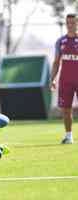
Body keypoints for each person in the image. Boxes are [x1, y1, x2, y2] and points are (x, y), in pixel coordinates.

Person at [50, 13, 78, 144]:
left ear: (77, 23)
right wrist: (53, 79)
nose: (70, 25)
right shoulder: (60, 41)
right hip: (65, 81)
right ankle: (69, 136)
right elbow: (56, 62)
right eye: (68, 23)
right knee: (66, 109)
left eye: (73, 23)